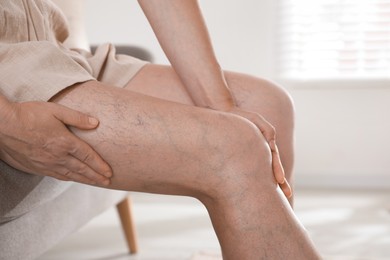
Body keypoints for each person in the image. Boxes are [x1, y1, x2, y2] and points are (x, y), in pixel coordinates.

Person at [0, 0, 320, 259]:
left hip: (49, 44)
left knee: (269, 104)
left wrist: (221, 107)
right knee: (237, 148)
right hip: (6, 68)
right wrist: (9, 120)